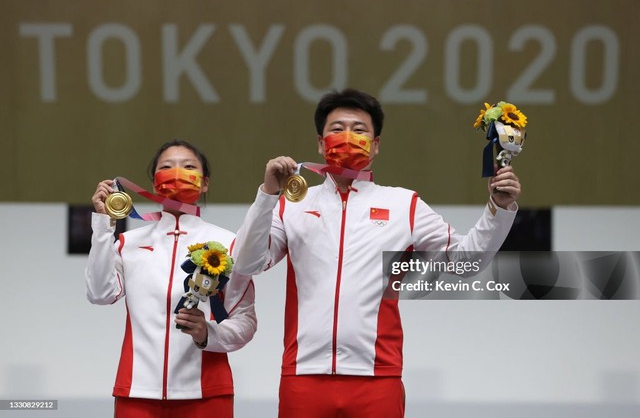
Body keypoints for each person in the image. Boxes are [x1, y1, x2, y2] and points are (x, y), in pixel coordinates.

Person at [232, 89, 520, 417]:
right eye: (336, 129)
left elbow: (465, 263)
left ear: (376, 144)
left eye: (359, 130)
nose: (347, 136)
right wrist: (268, 195)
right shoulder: (292, 204)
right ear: (320, 143)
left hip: (377, 377)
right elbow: (247, 263)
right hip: (303, 375)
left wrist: (498, 209)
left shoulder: (403, 205)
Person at [85, 139, 257, 418]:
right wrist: (104, 225)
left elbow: (245, 323)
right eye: (167, 167)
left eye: (189, 167)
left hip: (207, 395)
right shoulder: (128, 243)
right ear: (154, 184)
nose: (177, 173)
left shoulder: (229, 244)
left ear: (205, 184)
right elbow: (99, 293)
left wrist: (207, 334)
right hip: (138, 394)